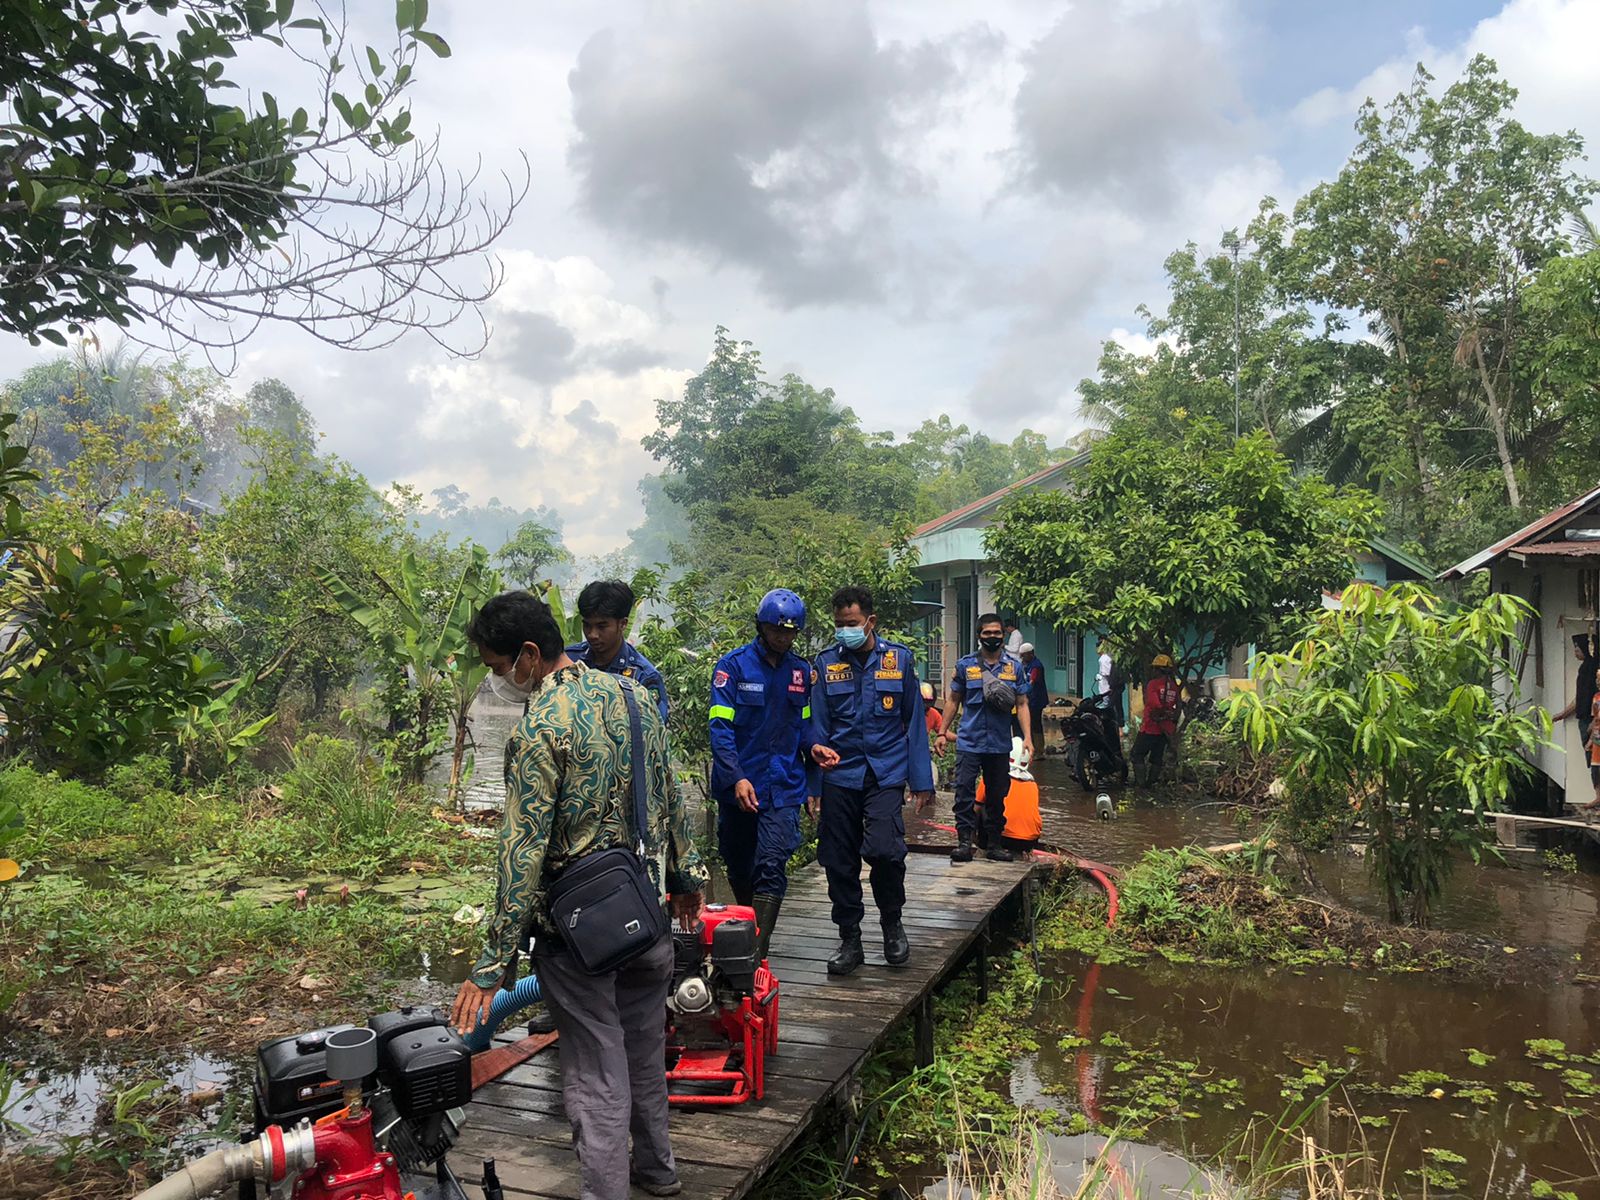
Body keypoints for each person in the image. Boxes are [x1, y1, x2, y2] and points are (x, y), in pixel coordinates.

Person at [451, 590, 706, 1200]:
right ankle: (658, 1171)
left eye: (497, 666)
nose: (498, 679)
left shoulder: (540, 727)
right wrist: (686, 880)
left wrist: (492, 965)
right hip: (646, 916)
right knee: (643, 1051)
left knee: (595, 1072)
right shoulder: (634, 696)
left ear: (529, 655)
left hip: (580, 940)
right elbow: (672, 797)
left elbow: (522, 853)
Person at [807, 587, 936, 976]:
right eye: (839, 624)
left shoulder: (899, 660)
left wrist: (921, 780)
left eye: (851, 623)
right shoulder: (826, 664)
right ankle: (850, 939)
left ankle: (892, 924)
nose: (844, 630)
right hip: (839, 774)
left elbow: (914, 722)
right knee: (838, 859)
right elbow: (817, 726)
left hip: (885, 772)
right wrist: (814, 784)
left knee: (885, 850)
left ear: (870, 621)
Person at [708, 588, 840, 961]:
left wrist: (814, 747)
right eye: (776, 630)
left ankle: (755, 955)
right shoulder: (732, 668)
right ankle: (749, 931)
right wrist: (736, 776)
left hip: (783, 786)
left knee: (771, 863)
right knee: (739, 862)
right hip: (739, 787)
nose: (783, 638)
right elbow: (720, 728)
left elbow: (804, 723)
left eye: (790, 632)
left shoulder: (800, 671)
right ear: (761, 627)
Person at [938, 613, 1033, 863]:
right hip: (969, 742)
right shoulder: (965, 665)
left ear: (1003, 635)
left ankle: (994, 844)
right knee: (964, 792)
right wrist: (942, 732)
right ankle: (964, 843)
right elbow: (953, 700)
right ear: (979, 635)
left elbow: (1022, 704)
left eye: (997, 633)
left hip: (1000, 744)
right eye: (987, 633)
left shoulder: (1014, 667)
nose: (993, 637)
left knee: (997, 795)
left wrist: (1027, 738)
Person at [565, 578, 669, 721]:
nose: (592, 634)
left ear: (623, 624)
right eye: (587, 625)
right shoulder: (569, 660)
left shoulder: (643, 676)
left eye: (601, 626)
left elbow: (655, 726)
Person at [975, 736, 1043, 852]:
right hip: (1029, 842)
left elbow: (975, 809)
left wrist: (969, 833)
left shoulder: (991, 777)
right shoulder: (1032, 784)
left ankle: (983, 846)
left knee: (982, 805)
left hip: (1000, 838)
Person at [1129, 654, 1181, 785]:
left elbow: (1155, 704)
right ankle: (1151, 783)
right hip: (1165, 728)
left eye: (1154, 668)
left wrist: (1159, 715)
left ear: (1158, 669)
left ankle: (1141, 784)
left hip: (1150, 727)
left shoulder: (1153, 684)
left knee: (1136, 754)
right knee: (1157, 758)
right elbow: (1177, 706)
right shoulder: (1173, 686)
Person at [1020, 642, 1049, 751]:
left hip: (1036, 699)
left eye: (1024, 656)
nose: (1022, 658)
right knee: (1029, 723)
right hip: (1030, 699)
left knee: (1035, 724)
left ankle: (1039, 749)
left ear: (1030, 654)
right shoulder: (1027, 665)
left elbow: (1031, 682)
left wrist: (1022, 691)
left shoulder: (1036, 666)